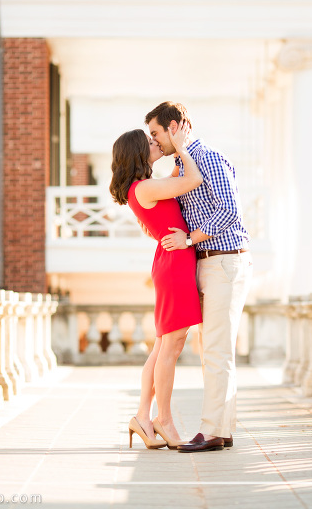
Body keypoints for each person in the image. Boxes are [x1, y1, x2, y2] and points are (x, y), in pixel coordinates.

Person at [145, 101, 253, 453]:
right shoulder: (182, 165)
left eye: (157, 133)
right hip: (207, 264)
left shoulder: (206, 157)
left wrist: (190, 239)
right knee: (216, 351)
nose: (155, 141)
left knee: (217, 351)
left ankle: (210, 432)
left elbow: (230, 210)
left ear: (174, 127)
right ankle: (223, 428)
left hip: (224, 261)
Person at [108, 123, 203, 450]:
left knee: (164, 346)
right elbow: (193, 180)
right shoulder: (145, 187)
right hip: (174, 264)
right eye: (150, 141)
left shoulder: (142, 188)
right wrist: (182, 147)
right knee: (171, 347)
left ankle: (142, 418)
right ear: (138, 152)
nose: (156, 143)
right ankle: (165, 420)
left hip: (171, 260)